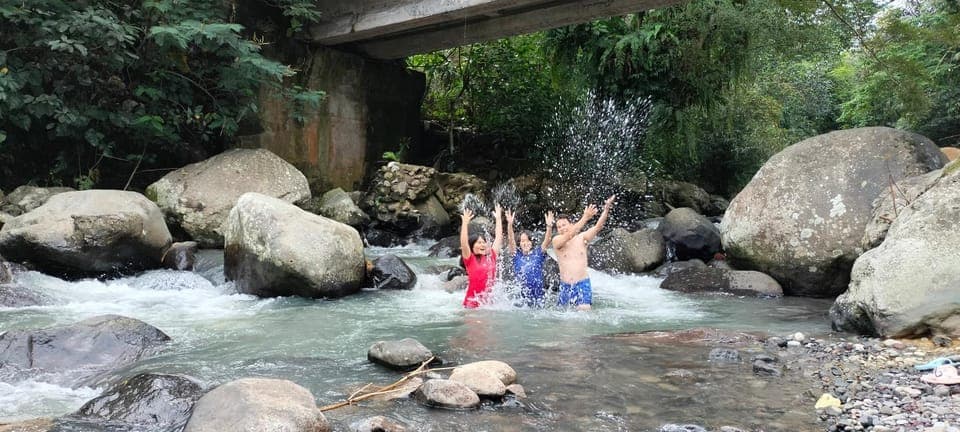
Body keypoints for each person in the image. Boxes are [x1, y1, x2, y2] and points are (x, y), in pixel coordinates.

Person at [552, 195, 616, 310]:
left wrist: (606, 209)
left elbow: (597, 227)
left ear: (571, 224)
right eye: (559, 227)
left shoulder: (582, 238)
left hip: (582, 283)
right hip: (565, 286)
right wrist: (585, 217)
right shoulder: (557, 241)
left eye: (564, 225)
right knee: (562, 317)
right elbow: (569, 235)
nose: (562, 228)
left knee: (584, 312)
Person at [506, 209, 554, 308]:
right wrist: (510, 225)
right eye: (522, 241)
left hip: (539, 297)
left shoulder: (538, 253)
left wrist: (549, 226)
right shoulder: (516, 255)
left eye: (528, 240)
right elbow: (511, 240)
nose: (525, 243)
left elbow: (547, 241)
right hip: (521, 299)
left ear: (532, 242)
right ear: (519, 243)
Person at [459, 204, 504, 308]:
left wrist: (498, 219)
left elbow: (498, 237)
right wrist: (465, 223)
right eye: (479, 243)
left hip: (489, 304)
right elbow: (464, 243)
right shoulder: (469, 259)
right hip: (472, 304)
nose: (482, 245)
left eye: (484, 242)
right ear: (472, 246)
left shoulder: (491, 256)